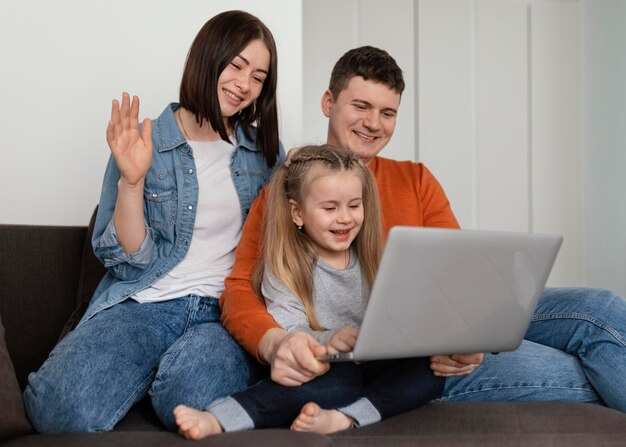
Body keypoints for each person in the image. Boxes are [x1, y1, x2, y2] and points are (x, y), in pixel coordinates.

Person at [220, 45, 626, 425]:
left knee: (601, 309)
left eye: (387, 112)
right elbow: (239, 287)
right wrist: (273, 342)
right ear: (329, 103)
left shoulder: (415, 178)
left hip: (440, 327)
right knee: (581, 368)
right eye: (360, 106)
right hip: (395, 354)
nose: (373, 123)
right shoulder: (286, 191)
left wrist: (471, 338)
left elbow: (462, 277)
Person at [23, 10, 285, 433]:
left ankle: (157, 374)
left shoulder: (266, 153)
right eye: (236, 65)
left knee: (189, 403)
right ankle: (140, 367)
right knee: (59, 412)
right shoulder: (147, 140)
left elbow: (282, 245)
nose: (244, 84)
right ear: (207, 57)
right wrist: (132, 181)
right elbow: (129, 263)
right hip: (146, 303)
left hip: (222, 313)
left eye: (258, 76)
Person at [173, 145, 445, 440]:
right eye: (330, 208)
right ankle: (219, 418)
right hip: (322, 366)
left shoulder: (372, 261)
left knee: (429, 371)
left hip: (374, 362)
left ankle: (346, 418)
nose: (345, 218)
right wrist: (331, 340)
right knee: (340, 381)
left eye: (354, 205)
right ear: (297, 213)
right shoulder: (288, 266)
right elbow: (292, 331)